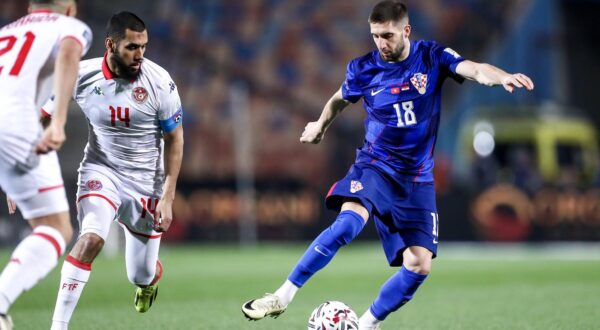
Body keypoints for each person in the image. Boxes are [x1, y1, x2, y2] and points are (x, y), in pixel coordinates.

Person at [242, 1, 534, 329]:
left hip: (416, 181)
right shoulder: (364, 68)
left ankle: (365, 325)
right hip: (375, 167)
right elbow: (339, 98)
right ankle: (281, 296)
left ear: (406, 31)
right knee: (348, 224)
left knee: (419, 264)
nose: (381, 43)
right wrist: (320, 127)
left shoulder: (431, 57)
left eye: (388, 35)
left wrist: (503, 76)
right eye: (376, 36)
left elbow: (475, 68)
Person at [39, 12, 184, 330]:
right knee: (91, 238)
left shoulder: (159, 82)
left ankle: (148, 280)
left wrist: (168, 197)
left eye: (144, 47)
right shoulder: (80, 75)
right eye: (132, 47)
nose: (140, 55)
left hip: (147, 183)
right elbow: (44, 116)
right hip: (101, 170)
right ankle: (58, 326)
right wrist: (20, 165)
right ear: (111, 45)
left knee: (140, 274)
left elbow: (175, 138)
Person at [0, 1, 91, 329]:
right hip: (16, 126)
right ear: (70, 8)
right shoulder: (68, 27)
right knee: (55, 228)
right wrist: (58, 122)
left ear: (29, 7)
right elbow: (69, 54)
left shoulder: (5, 34)